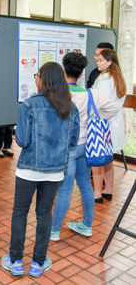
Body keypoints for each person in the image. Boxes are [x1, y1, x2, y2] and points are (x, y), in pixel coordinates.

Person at [2, 62, 80, 277]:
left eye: (37, 75)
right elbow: (73, 141)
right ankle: (38, 263)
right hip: (55, 171)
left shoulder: (29, 105)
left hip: (28, 169)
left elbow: (22, 141)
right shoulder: (70, 107)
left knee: (20, 212)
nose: (35, 79)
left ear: (44, 79)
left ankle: (16, 261)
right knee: (44, 214)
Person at [50, 52, 119, 242]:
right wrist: (95, 119)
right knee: (85, 186)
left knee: (64, 190)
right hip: (87, 146)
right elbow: (113, 108)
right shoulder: (91, 94)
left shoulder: (58, 93)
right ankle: (87, 226)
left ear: (64, 70)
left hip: (68, 148)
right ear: (81, 74)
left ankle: (54, 231)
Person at [92, 49, 127, 202]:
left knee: (98, 158)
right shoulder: (117, 77)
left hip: (102, 123)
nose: (97, 61)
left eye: (100, 59)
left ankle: (97, 193)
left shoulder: (104, 79)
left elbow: (99, 102)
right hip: (114, 124)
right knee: (108, 158)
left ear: (109, 61)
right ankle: (108, 190)